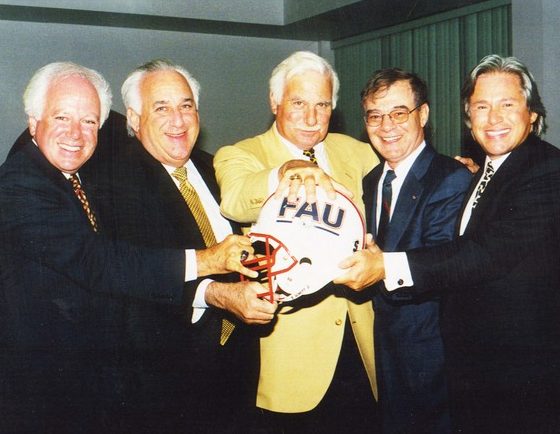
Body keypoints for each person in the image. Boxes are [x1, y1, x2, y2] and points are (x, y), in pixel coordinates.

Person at [0, 61, 272, 433]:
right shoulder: (22, 183)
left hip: (210, 377)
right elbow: (101, 263)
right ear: (33, 122)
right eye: (61, 117)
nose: (76, 134)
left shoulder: (80, 179)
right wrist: (209, 265)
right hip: (50, 390)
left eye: (89, 121)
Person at [336, 54, 560, 433]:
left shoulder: (546, 170)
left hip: (521, 370)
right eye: (481, 107)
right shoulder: (484, 171)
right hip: (475, 366)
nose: (494, 119)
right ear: (468, 117)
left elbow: (486, 252)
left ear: (532, 114)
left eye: (507, 105)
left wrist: (386, 266)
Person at [214, 51, 380, 433]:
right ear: (275, 102)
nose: (311, 117)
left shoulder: (357, 152)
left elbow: (406, 179)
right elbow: (236, 198)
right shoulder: (242, 155)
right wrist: (286, 170)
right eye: (298, 103)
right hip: (290, 362)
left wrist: (456, 170)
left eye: (322, 104)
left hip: (361, 346)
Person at [360, 68, 472, 433]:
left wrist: (378, 265)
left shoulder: (451, 177)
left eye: (398, 113)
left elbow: (441, 263)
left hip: (432, 354)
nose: (386, 126)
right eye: (375, 115)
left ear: (422, 115)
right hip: (385, 349)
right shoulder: (372, 180)